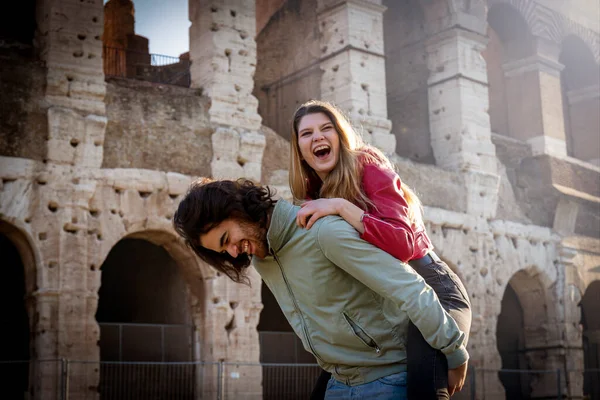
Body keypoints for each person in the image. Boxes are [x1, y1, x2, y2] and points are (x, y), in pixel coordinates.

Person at [173, 178, 469, 400]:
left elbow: (410, 288)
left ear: (237, 209)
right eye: (223, 252)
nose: (234, 253)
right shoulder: (264, 261)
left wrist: (454, 353)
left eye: (227, 238)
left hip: (388, 380)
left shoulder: (323, 233)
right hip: (339, 385)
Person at [289, 100, 472, 399]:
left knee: (425, 388)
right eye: (306, 134)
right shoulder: (311, 196)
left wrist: (340, 206)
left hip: (434, 288)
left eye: (326, 128)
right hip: (387, 302)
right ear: (299, 149)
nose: (318, 137)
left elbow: (403, 245)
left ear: (340, 135)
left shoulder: (368, 166)